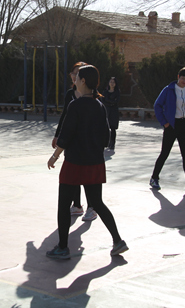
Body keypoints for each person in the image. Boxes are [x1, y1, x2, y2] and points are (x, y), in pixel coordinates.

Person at [46, 65, 128, 259]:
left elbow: (66, 135)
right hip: (95, 163)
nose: (74, 80)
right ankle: (118, 241)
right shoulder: (99, 106)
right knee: (97, 203)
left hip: (75, 163)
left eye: (77, 78)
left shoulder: (75, 105)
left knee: (64, 205)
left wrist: (55, 156)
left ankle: (62, 247)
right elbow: (106, 138)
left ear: (83, 81)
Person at [52, 62, 97, 222]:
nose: (75, 76)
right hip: (72, 141)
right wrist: (58, 135)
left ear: (84, 78)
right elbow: (65, 116)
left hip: (87, 143)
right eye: (74, 73)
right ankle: (77, 205)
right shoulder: (70, 94)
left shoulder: (93, 96)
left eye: (78, 73)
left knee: (87, 176)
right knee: (73, 173)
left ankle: (92, 207)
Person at [150, 67, 185, 192]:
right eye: (183, 78)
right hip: (171, 125)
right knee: (165, 153)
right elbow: (157, 105)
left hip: (184, 124)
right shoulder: (168, 90)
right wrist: (165, 123)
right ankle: (154, 178)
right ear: (178, 77)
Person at [101, 77, 120, 151]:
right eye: (110, 82)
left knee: (113, 128)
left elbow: (116, 101)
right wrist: (110, 102)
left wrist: (108, 101)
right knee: (105, 128)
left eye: (113, 82)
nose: (112, 83)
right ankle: (106, 142)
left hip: (114, 112)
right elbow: (103, 100)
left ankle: (112, 143)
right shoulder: (105, 92)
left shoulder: (117, 92)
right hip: (106, 111)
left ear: (115, 84)